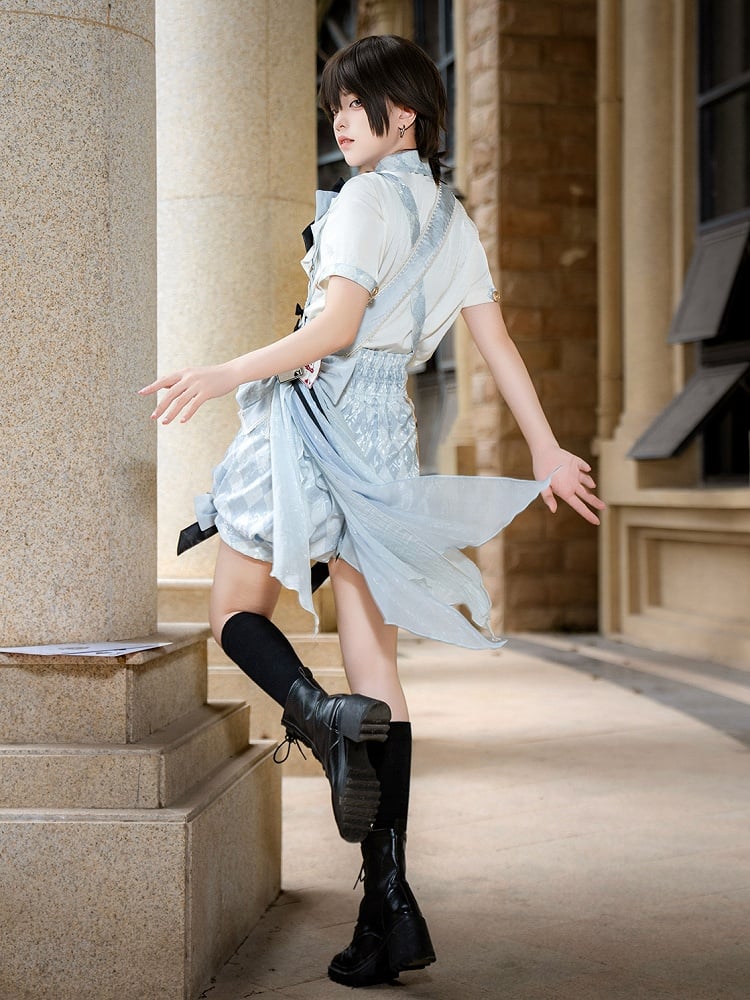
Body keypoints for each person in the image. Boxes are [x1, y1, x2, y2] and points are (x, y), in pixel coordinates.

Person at [140, 34, 605, 990]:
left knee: (234, 611)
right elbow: (497, 344)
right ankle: (386, 905)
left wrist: (224, 371)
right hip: (387, 431)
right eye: (335, 107)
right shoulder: (450, 218)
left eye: (356, 104)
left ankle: (315, 714)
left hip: (318, 420)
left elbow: (335, 329)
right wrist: (547, 446)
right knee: (378, 661)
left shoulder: (361, 201)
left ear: (408, 115)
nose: (341, 120)